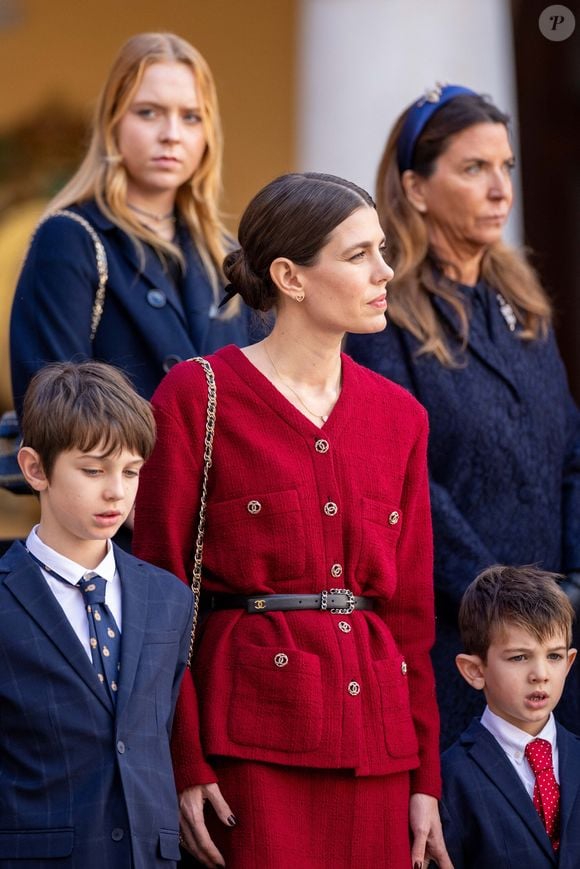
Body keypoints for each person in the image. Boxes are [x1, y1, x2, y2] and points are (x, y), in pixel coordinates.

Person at [133, 172, 451, 869]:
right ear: (290, 276)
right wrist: (184, 757)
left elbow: (411, 619)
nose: (385, 271)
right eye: (358, 253)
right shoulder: (197, 394)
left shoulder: (402, 418)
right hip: (249, 750)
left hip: (380, 751)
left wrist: (425, 778)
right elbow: (155, 597)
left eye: (383, 249)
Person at [346, 83, 580, 748]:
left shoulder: (523, 306)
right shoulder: (379, 313)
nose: (501, 188)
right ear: (416, 188)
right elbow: (402, 476)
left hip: (550, 649)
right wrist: (499, 604)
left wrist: (568, 594)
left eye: (505, 167)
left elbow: (571, 454)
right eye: (474, 168)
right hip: (458, 647)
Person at [0, 361, 195, 868]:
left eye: (130, 471)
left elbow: (154, 738)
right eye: (93, 470)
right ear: (35, 468)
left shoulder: (168, 599)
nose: (116, 491)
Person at [10, 32, 251, 421]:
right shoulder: (69, 239)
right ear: (112, 123)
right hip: (124, 481)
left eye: (191, 116)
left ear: (208, 135)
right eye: (149, 112)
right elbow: (53, 416)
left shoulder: (227, 256)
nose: (171, 134)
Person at [438, 565, 580, 868]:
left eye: (553, 656)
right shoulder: (450, 780)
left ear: (569, 663)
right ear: (475, 671)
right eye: (519, 657)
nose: (540, 675)